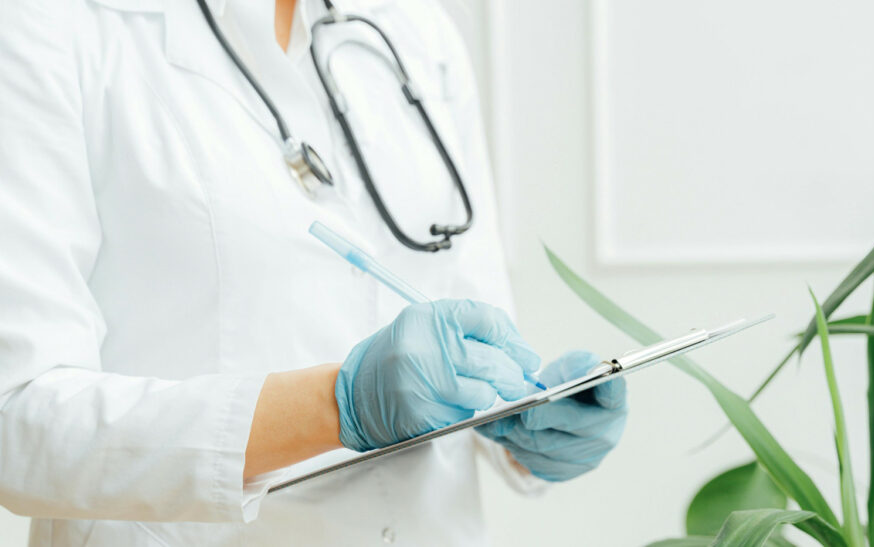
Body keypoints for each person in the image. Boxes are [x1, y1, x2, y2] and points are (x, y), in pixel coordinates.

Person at [0, 0, 627, 545]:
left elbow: (473, 320)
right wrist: (340, 405)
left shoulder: (413, 28)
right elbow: (17, 420)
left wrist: (523, 413)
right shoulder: (46, 26)